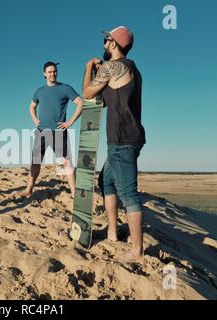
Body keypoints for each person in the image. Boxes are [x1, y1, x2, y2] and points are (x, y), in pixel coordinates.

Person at [82, 26, 146, 262]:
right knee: (106, 180)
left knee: (128, 193)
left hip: (122, 140)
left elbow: (88, 93)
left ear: (112, 43)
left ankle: (137, 251)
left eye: (106, 40)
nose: (104, 44)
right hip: (129, 138)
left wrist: (89, 67)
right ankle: (112, 232)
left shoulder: (111, 67)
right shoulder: (132, 69)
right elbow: (110, 98)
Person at [18, 62, 83, 199]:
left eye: (54, 71)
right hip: (41, 132)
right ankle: (29, 189)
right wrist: (35, 120)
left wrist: (70, 122)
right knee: (35, 162)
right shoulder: (39, 91)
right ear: (44, 73)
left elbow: (80, 103)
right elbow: (31, 107)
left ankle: (74, 193)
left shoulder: (65, 88)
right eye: (49, 72)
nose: (52, 74)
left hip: (59, 131)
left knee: (66, 162)